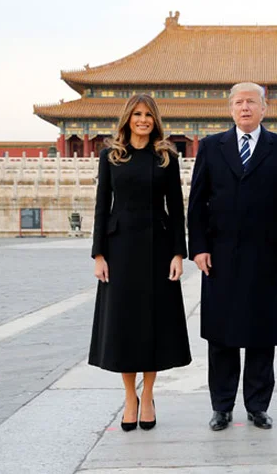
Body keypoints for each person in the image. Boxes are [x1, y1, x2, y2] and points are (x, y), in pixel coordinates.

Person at [187, 82, 277, 431]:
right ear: (230, 109)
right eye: (239, 102)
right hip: (220, 256)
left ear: (264, 108)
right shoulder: (211, 147)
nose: (245, 108)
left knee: (261, 333)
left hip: (266, 255)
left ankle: (257, 405)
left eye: (252, 102)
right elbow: (197, 203)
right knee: (221, 335)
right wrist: (199, 247)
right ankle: (221, 406)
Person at [89, 94, 191, 432]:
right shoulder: (111, 157)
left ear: (155, 120)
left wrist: (179, 253)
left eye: (148, 114)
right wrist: (99, 254)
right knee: (124, 325)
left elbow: (176, 209)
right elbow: (102, 206)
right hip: (120, 250)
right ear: (127, 119)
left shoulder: (165, 157)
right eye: (137, 114)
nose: (143, 119)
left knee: (154, 325)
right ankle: (128, 396)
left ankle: (147, 395)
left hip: (158, 249)